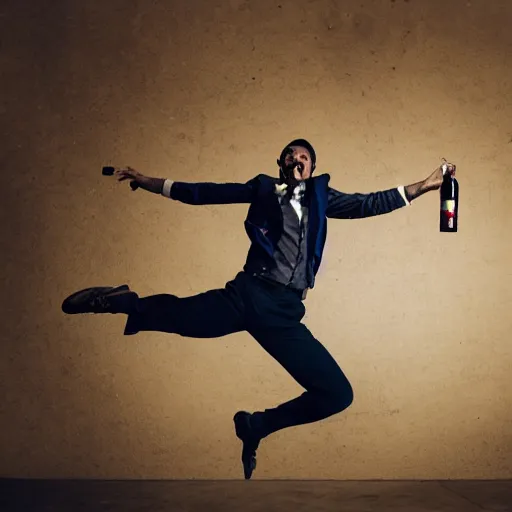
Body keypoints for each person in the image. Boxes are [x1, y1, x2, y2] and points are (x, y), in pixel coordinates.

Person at [62, 139, 453, 479]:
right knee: (182, 319)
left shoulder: (322, 197)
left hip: (284, 314)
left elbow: (370, 203)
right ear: (280, 164)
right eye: (289, 155)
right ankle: (120, 301)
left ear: (313, 166)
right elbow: (204, 192)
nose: (297, 159)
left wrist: (424, 186)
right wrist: (149, 182)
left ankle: (256, 425)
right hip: (249, 294)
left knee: (336, 394)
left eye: (304, 156)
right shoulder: (265, 189)